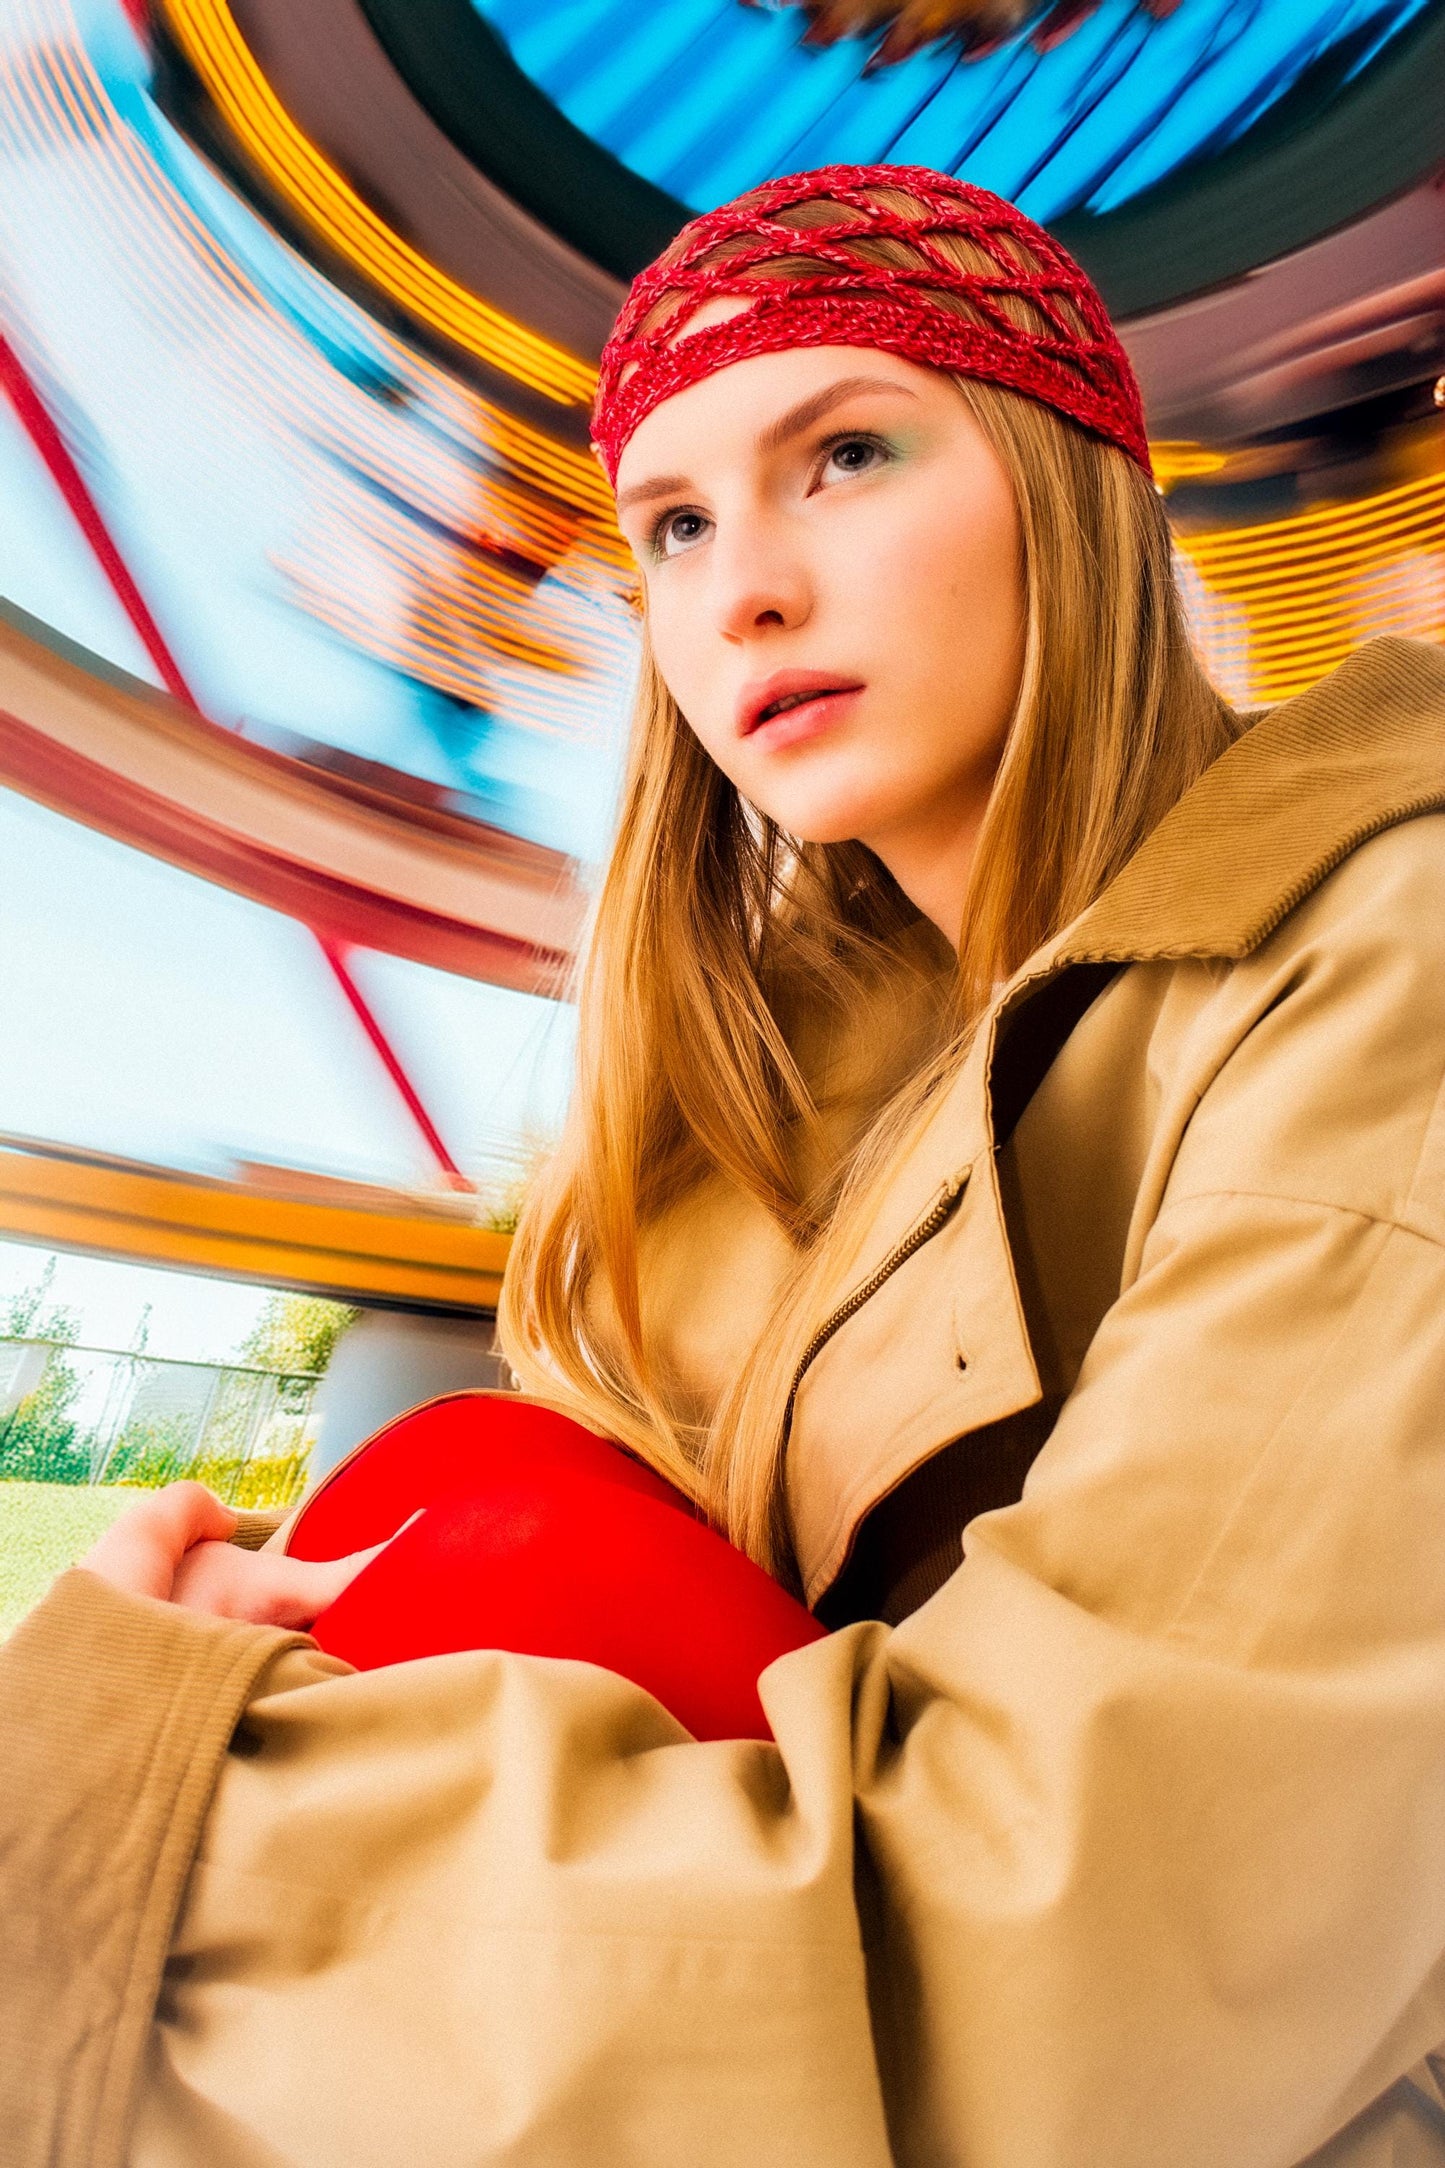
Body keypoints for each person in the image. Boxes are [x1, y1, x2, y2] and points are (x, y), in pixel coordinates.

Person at [4, 161, 1445, 2168]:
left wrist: (119, 1807)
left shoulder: (1391, 954)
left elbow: (1058, 1957)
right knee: (457, 1481)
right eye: (671, 523)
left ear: (1070, 483)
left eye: (844, 453)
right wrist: (259, 1644)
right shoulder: (755, 1094)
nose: (738, 586)